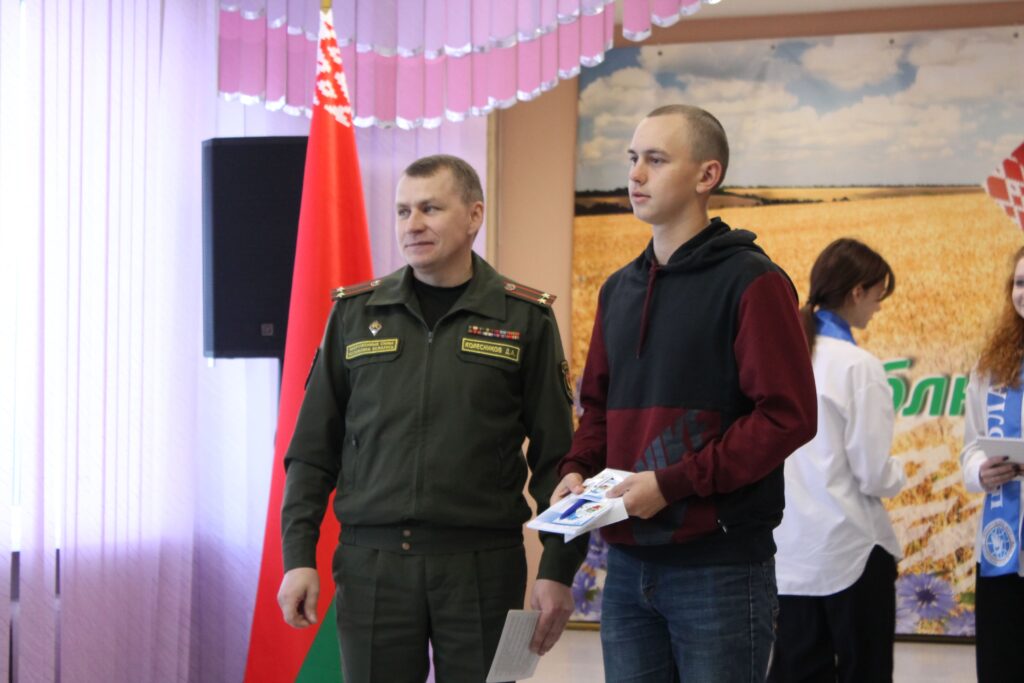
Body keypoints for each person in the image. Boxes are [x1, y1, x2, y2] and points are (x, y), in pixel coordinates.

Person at [276, 154, 586, 683]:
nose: (412, 224)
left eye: (430, 209)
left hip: (482, 567)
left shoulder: (524, 318)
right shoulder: (355, 314)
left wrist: (558, 568)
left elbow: (560, 461)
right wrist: (298, 555)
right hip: (372, 566)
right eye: (402, 211)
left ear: (474, 216)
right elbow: (311, 451)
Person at [553, 104, 818, 682]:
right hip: (627, 565)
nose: (635, 175)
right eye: (632, 158)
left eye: (656, 159)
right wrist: (578, 468)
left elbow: (787, 417)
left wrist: (671, 485)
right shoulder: (617, 290)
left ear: (707, 175)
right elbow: (597, 408)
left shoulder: (753, 281)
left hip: (719, 568)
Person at [768, 238, 906, 683]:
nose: (879, 308)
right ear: (856, 292)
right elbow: (873, 474)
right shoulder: (858, 367)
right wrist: (900, 473)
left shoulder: (779, 359)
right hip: (852, 552)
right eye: (878, 295)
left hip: (790, 554)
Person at [961, 244, 1024, 683]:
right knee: (1002, 665)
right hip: (1001, 547)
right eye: (1019, 283)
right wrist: (979, 471)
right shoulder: (993, 365)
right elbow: (970, 447)